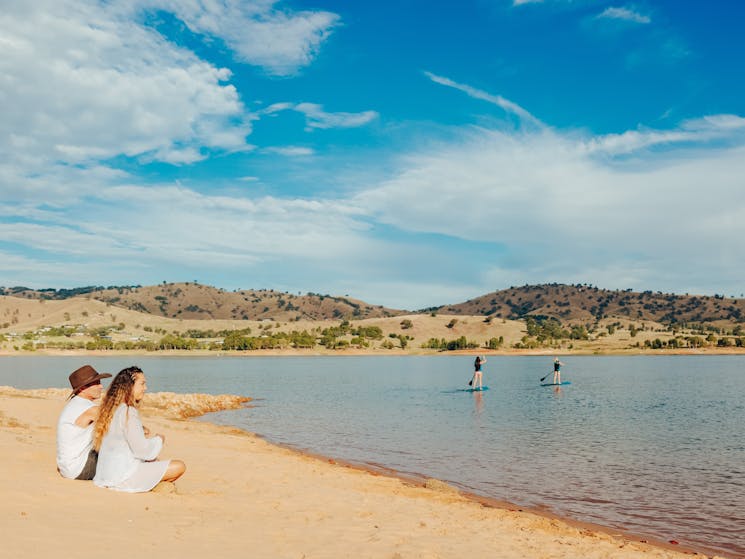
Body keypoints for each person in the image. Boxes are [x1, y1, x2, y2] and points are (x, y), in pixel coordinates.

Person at [92, 366, 185, 492]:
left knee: (155, 461)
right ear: (129, 386)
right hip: (122, 477)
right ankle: (154, 485)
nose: (145, 388)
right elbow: (143, 451)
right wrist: (159, 440)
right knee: (179, 466)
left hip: (105, 475)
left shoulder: (112, 409)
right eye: (142, 384)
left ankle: (153, 482)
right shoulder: (128, 411)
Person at [56, 364, 112, 480]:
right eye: (96, 383)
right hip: (79, 469)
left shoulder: (77, 403)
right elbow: (117, 421)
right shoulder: (86, 408)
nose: (101, 386)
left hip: (69, 467)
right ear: (82, 388)